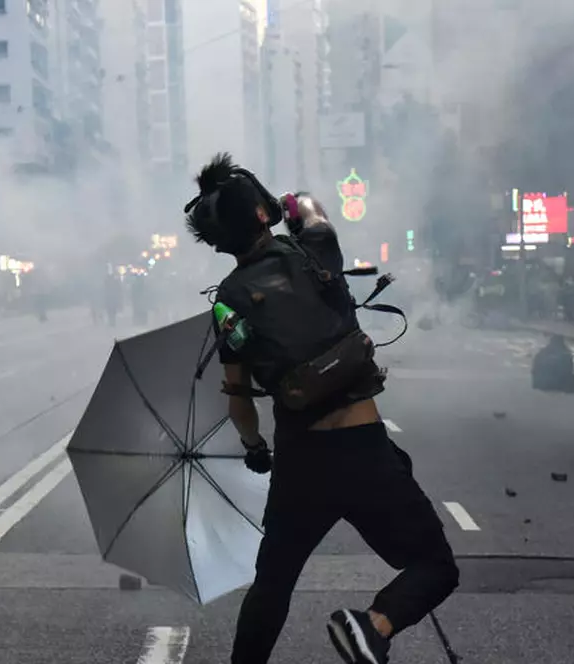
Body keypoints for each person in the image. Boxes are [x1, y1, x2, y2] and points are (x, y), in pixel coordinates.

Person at [184, 153, 459, 664]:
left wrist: (255, 448)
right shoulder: (314, 249)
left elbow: (239, 397)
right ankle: (372, 626)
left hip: (300, 460)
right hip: (363, 449)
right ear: (263, 213)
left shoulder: (228, 301)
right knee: (436, 566)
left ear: (219, 242)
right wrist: (289, 202)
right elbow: (309, 206)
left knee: (273, 585)